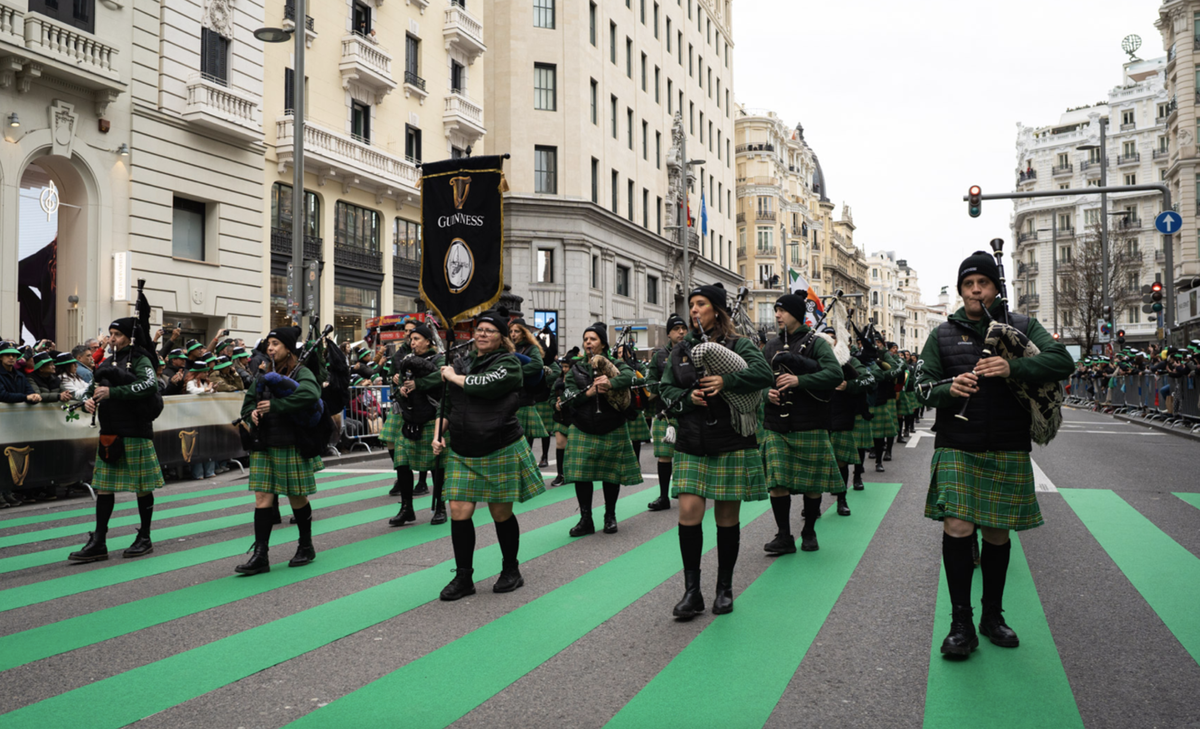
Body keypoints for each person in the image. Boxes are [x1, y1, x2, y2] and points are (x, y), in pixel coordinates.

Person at [916, 251, 1073, 658]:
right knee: (957, 527)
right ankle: (960, 623)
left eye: (982, 283)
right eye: (968, 284)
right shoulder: (942, 335)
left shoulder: (1021, 327)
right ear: (960, 290)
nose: (975, 290)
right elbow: (920, 387)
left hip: (1007, 442)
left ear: (995, 288)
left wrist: (1012, 367)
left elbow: (1061, 362)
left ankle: (992, 616)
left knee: (998, 531)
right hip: (957, 443)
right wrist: (949, 390)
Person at [659, 283, 773, 617]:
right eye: (691, 304)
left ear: (717, 310)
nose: (694, 310)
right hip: (692, 442)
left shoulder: (739, 345)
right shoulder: (681, 350)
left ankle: (724, 589)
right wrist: (685, 399)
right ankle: (692, 592)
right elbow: (665, 388)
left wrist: (727, 381)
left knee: (726, 517)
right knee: (688, 514)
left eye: (701, 304)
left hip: (731, 440)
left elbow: (763, 373)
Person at [434, 307, 545, 600]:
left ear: (501, 337)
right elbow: (447, 404)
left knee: (500, 512)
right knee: (459, 511)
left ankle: (511, 570)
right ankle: (463, 578)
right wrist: (438, 434)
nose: (482, 334)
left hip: (499, 445)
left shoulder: (509, 364)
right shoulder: (460, 361)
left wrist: (452, 375)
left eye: (489, 331)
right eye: (479, 330)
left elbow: (484, 385)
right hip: (463, 446)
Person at [68, 318, 165, 562]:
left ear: (130, 337)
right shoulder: (109, 360)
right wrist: (90, 400)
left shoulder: (142, 360)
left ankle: (145, 536)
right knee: (104, 488)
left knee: (142, 488)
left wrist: (114, 392)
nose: (112, 339)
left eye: (117, 334)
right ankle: (99, 541)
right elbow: (96, 387)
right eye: (111, 334)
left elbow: (149, 386)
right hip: (110, 432)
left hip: (135, 432)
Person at [235, 326, 325, 575]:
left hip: (290, 442)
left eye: (275, 344)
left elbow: (311, 394)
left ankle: (306, 545)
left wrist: (276, 406)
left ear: (288, 348)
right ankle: (260, 555)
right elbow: (247, 403)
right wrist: (250, 413)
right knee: (262, 498)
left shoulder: (303, 372)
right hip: (264, 442)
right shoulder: (263, 372)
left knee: (296, 495)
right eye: (269, 344)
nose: (270, 348)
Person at [760, 294, 846, 554]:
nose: (777, 315)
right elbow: (760, 378)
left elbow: (835, 374)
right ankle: (784, 536)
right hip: (777, 423)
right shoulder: (771, 345)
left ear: (797, 314)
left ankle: (809, 530)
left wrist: (800, 381)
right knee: (776, 482)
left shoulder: (817, 344)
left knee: (812, 484)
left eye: (782, 311)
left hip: (810, 421)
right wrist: (767, 393)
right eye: (776, 311)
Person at [560, 322, 643, 537]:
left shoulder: (616, 363)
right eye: (586, 339)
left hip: (611, 424)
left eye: (593, 339)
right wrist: (589, 393)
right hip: (583, 426)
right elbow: (568, 396)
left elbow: (631, 377)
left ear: (603, 344)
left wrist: (611, 382)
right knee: (582, 476)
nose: (588, 342)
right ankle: (586, 519)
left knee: (611, 475)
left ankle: (610, 516)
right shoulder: (576, 368)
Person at [388, 324, 448, 526]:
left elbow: (442, 378)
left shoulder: (439, 359)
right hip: (409, 419)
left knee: (436, 467)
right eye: (411, 339)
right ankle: (407, 508)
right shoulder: (406, 359)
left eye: (417, 339)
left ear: (428, 341)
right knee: (402, 463)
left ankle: (440, 507)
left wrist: (418, 385)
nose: (412, 343)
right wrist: (400, 388)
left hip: (431, 418)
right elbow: (401, 383)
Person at [825, 326, 875, 516]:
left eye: (833, 339)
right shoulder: (814, 360)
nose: (830, 342)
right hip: (818, 415)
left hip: (842, 415)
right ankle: (810, 505)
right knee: (817, 463)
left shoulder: (850, 361)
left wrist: (849, 385)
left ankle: (842, 498)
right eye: (826, 339)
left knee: (841, 462)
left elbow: (869, 379)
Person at [645, 314, 689, 511]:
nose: (681, 332)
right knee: (664, 456)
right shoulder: (659, 356)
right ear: (669, 333)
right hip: (664, 412)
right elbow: (651, 384)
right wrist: (659, 389)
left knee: (689, 455)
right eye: (676, 329)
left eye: (683, 328)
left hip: (689, 411)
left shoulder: (693, 351)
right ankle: (663, 496)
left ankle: (690, 493)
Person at [510, 318, 551, 458]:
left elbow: (537, 365)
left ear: (524, 333)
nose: (513, 334)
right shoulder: (509, 349)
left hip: (524, 399)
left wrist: (516, 374)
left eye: (516, 331)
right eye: (511, 331)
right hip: (510, 400)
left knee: (524, 447)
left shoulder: (531, 348)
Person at [548, 349, 577, 488]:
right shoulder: (558, 380)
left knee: (572, 447)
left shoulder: (578, 380)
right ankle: (560, 474)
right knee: (560, 444)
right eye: (563, 367)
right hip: (560, 417)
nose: (565, 369)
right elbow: (551, 397)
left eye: (567, 367)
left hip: (574, 418)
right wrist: (555, 405)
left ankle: (572, 473)